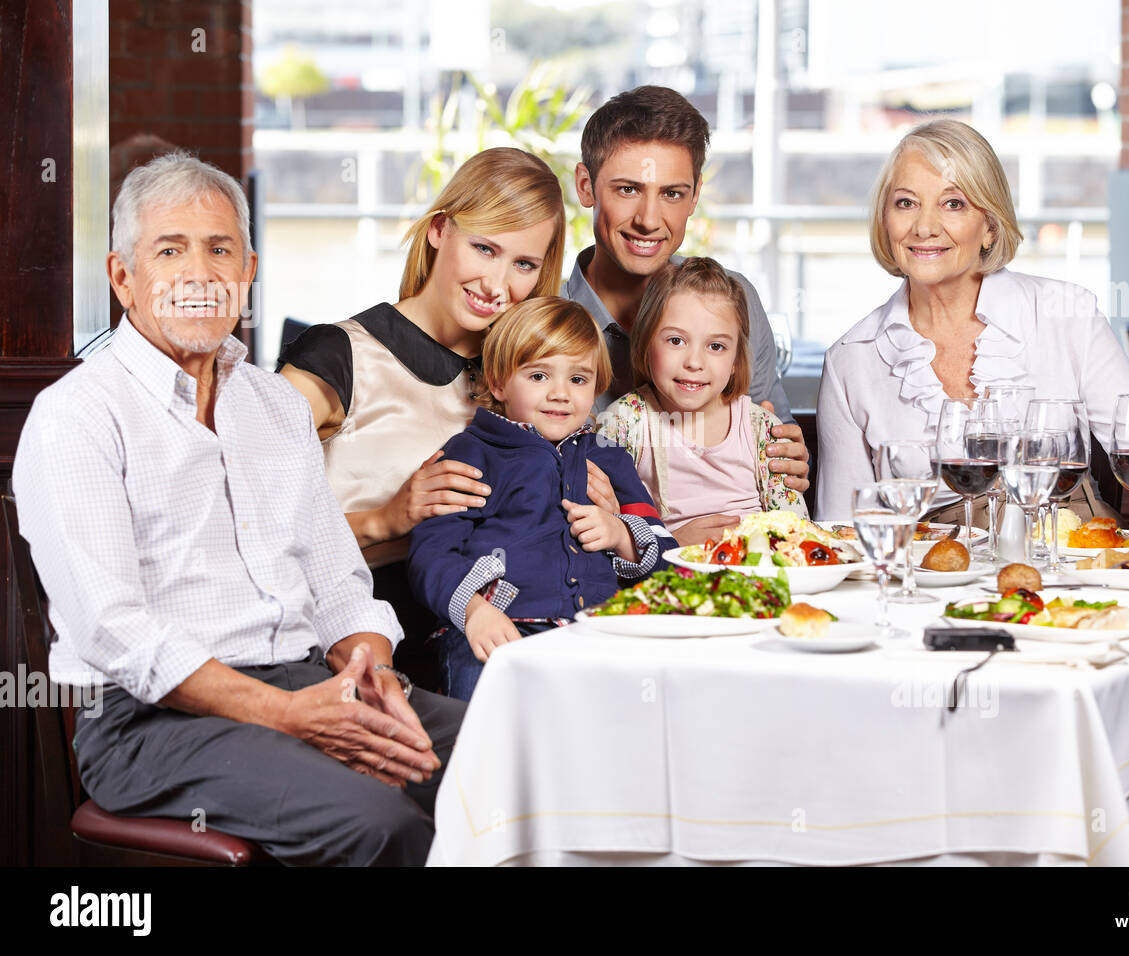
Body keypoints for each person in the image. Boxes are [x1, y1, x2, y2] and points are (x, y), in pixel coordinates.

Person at [13, 152, 466, 866]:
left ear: (247, 270)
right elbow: (113, 629)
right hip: (150, 724)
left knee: (505, 761)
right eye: (171, 250)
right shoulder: (76, 416)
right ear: (123, 277)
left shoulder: (276, 405)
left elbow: (338, 583)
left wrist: (369, 675)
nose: (201, 273)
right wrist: (290, 716)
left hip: (311, 681)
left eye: (220, 249)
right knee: (382, 823)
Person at [815, 119, 1129, 545]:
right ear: (885, 219)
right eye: (905, 203)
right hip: (931, 578)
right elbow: (841, 524)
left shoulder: (1064, 312)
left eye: (953, 204)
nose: (924, 226)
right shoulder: (851, 359)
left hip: (1074, 558)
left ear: (989, 225)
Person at [278, 148, 568, 685]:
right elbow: (246, 528)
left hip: (487, 647)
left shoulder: (523, 382)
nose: (496, 285)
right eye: (484, 248)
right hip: (351, 653)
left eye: (523, 264)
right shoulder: (336, 356)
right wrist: (384, 520)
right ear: (439, 230)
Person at [562, 85, 811, 544]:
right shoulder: (545, 325)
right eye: (628, 189)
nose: (649, 219)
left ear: (695, 195)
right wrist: (669, 542)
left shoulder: (735, 300)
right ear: (585, 186)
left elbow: (773, 433)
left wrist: (788, 452)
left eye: (672, 193)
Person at [408, 298, 676, 700]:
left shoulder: (608, 456)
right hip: (498, 626)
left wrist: (621, 534)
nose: (560, 394)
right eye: (538, 376)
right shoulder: (471, 453)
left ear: (597, 388)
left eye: (579, 380)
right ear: (498, 383)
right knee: (482, 697)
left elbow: (669, 557)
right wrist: (473, 610)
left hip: (597, 631)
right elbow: (431, 552)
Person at [598, 257, 807, 534]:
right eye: (676, 341)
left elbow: (797, 531)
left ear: (735, 361)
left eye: (716, 346)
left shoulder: (761, 428)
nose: (694, 362)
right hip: (667, 572)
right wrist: (672, 543)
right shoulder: (624, 422)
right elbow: (609, 531)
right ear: (647, 344)